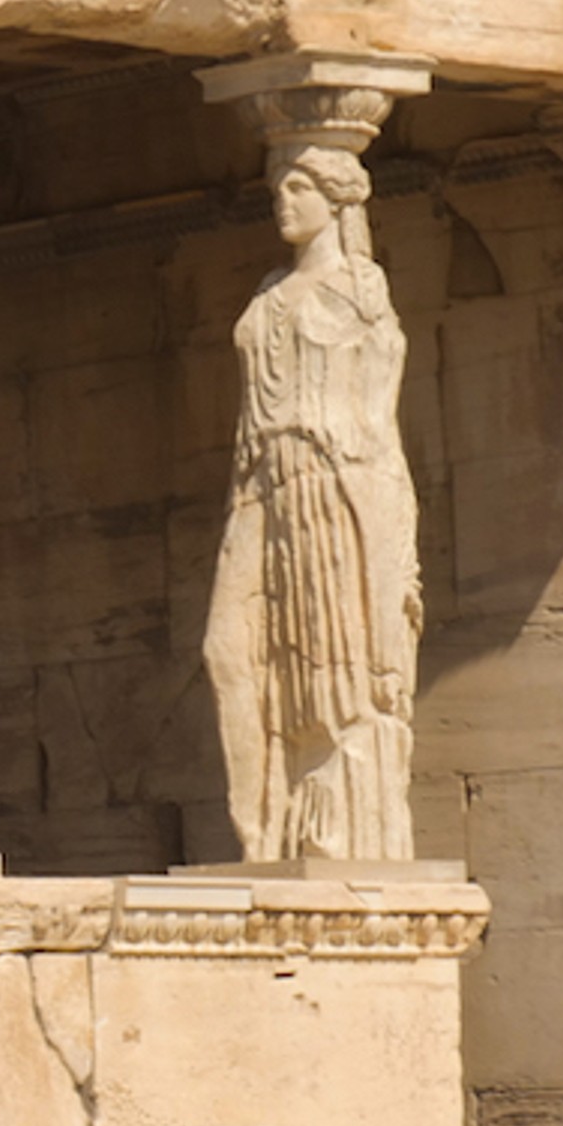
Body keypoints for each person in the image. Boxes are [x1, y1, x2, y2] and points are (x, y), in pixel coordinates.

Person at [205, 143, 421, 863]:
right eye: (278, 188)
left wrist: (393, 543)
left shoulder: (361, 293)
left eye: (299, 188)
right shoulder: (268, 294)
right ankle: (264, 821)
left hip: (336, 484)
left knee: (338, 666)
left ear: (337, 200)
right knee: (228, 650)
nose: (282, 201)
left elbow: (378, 419)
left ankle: (337, 832)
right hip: (264, 484)